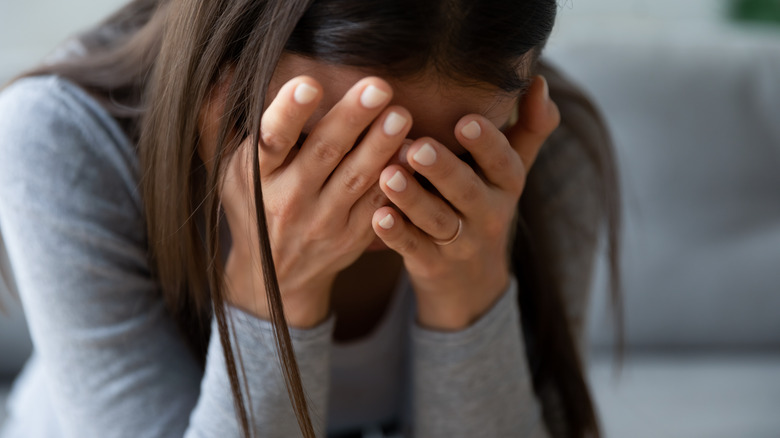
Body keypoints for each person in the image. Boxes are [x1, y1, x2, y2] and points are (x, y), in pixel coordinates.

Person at [0, 0, 620, 437]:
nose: (386, 201)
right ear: (221, 67)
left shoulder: (546, 149)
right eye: (337, 149)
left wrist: (471, 290)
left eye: (449, 163)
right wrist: (273, 286)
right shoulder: (59, 138)